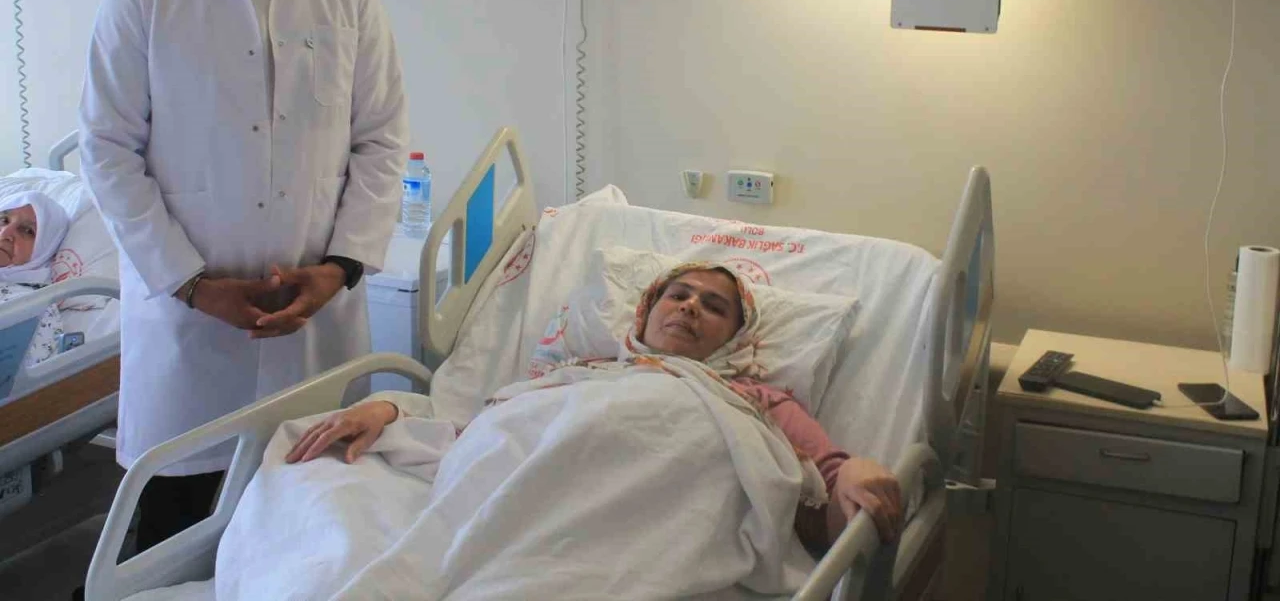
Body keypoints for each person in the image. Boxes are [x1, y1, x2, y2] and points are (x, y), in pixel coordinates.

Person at [78, 0, 409, 553]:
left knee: (311, 526)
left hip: (315, 320)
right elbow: (107, 149)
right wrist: (193, 285)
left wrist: (340, 270)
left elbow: (381, 139)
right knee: (173, 535)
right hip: (187, 328)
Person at [287, 263, 904, 551]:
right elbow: (490, 435)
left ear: (735, 338)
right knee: (305, 480)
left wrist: (854, 473)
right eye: (678, 295)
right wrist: (390, 414)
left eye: (714, 306)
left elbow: (827, 486)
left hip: (642, 535)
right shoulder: (581, 373)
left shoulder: (754, 399)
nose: (690, 307)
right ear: (647, 310)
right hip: (514, 505)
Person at [0, 193, 74, 368]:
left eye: (27, 231)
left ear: (44, 249)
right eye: (3, 220)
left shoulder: (33, 308)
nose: (5, 233)